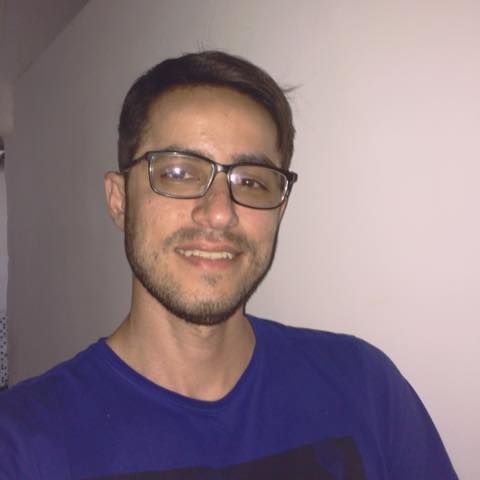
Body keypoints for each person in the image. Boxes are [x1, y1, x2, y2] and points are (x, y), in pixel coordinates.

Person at [0, 51, 457, 479]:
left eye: (252, 181)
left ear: (279, 208)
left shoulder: (365, 388)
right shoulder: (21, 442)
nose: (220, 213)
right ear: (119, 200)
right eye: (179, 173)